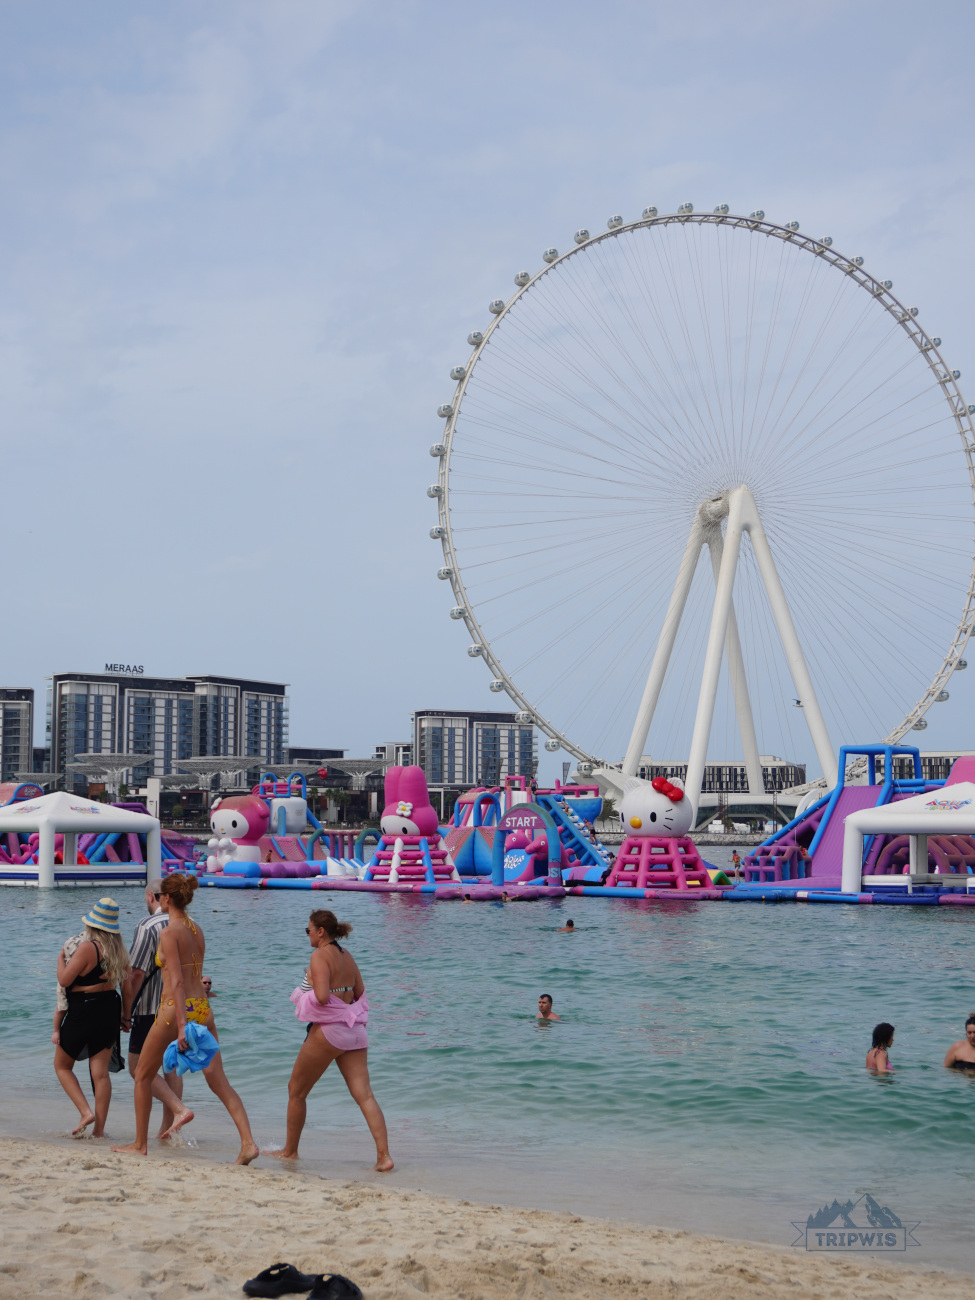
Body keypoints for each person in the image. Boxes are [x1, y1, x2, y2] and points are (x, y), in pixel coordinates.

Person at [112, 873, 258, 1164]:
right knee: (219, 1081)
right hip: (203, 1009)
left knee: (141, 1074)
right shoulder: (196, 929)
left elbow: (176, 982)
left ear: (166, 899)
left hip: (173, 1010)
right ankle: (248, 1143)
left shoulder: (168, 932)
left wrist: (180, 1027)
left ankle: (140, 1143)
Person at [271, 909, 392, 1171]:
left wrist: (312, 983)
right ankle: (384, 1157)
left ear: (320, 932)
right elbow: (359, 993)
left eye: (308, 930)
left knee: (296, 1090)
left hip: (329, 1032)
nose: (308, 935)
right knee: (365, 1096)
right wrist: (338, 992)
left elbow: (323, 997)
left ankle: (290, 1152)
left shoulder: (318, 956)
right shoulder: (347, 956)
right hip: (354, 1031)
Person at [54, 898, 130, 1137]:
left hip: (84, 1009)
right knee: (100, 1073)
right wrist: (126, 1016)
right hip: (109, 1008)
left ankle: (86, 1112)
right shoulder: (119, 950)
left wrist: (59, 960)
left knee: (62, 1066)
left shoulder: (88, 948)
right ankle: (98, 1131)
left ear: (93, 925)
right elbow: (126, 988)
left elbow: (65, 980)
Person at [121, 880, 191, 1138]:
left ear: (152, 896)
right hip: (178, 1007)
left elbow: (136, 974)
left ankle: (179, 1109)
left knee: (138, 1069)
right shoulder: (188, 925)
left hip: (149, 1008)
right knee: (169, 1066)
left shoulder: (147, 925)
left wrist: (126, 1012)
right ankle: (168, 1130)